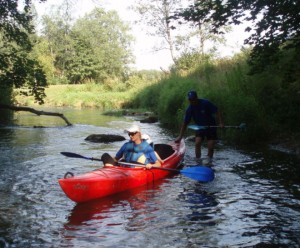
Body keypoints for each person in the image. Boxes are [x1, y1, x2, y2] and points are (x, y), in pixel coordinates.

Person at [175, 90, 224, 164]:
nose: (191, 101)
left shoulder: (206, 103)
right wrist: (180, 136)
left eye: (193, 99)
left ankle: (209, 161)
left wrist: (221, 123)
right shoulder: (190, 109)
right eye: (190, 100)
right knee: (197, 143)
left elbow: (217, 111)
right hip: (200, 127)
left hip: (211, 127)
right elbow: (185, 123)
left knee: (210, 147)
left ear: (196, 98)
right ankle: (198, 160)